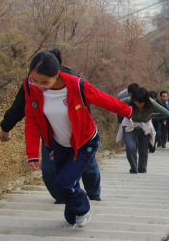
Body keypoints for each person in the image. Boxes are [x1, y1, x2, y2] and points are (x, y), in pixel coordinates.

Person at [24, 51, 133, 228]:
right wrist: (32, 153)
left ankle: (83, 209)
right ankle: (72, 216)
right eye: (34, 80)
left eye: (45, 82)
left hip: (84, 141)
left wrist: (127, 111)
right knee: (64, 182)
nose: (39, 85)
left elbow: (103, 99)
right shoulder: (31, 88)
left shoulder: (76, 85)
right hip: (59, 143)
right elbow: (31, 120)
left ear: (56, 74)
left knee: (64, 183)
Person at [0, 48, 102, 204]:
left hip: (76, 135)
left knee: (87, 166)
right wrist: (5, 127)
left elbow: (83, 107)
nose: (41, 84)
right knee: (49, 170)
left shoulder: (72, 79)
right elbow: (20, 107)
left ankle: (93, 195)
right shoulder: (32, 83)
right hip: (50, 135)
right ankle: (62, 198)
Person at [119, 87, 169, 173]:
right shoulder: (128, 100)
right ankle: (133, 168)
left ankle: (142, 168)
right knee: (130, 148)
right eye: (136, 102)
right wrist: (124, 113)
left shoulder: (152, 103)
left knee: (143, 150)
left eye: (141, 102)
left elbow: (166, 113)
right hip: (129, 125)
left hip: (145, 126)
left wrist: (153, 116)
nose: (138, 104)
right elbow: (115, 105)